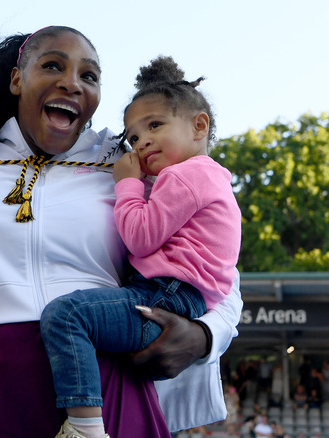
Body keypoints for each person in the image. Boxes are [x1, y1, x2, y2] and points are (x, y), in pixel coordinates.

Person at [0, 26, 243, 438]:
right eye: (52, 65)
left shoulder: (128, 169)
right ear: (17, 79)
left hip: (106, 385)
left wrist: (203, 335)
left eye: (89, 76)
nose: (71, 82)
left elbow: (217, 267)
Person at [39, 55, 241, 438]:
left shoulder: (183, 177)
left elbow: (140, 236)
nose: (141, 141)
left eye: (155, 125)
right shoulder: (207, 177)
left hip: (166, 296)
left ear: (199, 126)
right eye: (132, 137)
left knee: (67, 316)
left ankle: (84, 428)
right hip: (178, 297)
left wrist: (128, 184)